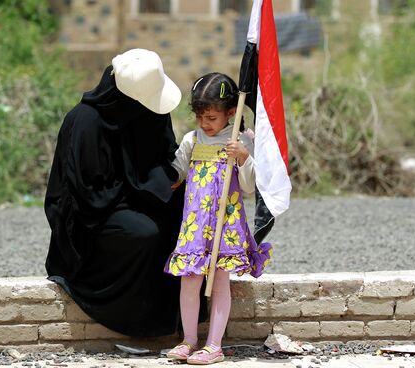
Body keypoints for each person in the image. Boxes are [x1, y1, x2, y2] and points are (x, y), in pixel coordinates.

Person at [44, 48, 191, 337]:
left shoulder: (150, 109)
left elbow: (165, 156)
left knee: (188, 216)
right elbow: (87, 195)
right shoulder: (86, 122)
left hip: (136, 196)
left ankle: (179, 319)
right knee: (144, 233)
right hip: (93, 214)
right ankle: (135, 320)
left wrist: (172, 179)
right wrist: (149, 190)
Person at [164, 72, 272, 364]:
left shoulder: (242, 141)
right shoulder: (191, 139)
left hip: (226, 225)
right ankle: (188, 340)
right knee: (190, 280)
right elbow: (177, 173)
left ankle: (214, 345)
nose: (204, 124)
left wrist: (243, 158)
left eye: (211, 117)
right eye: (200, 117)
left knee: (221, 282)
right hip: (195, 225)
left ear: (231, 113)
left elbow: (250, 186)